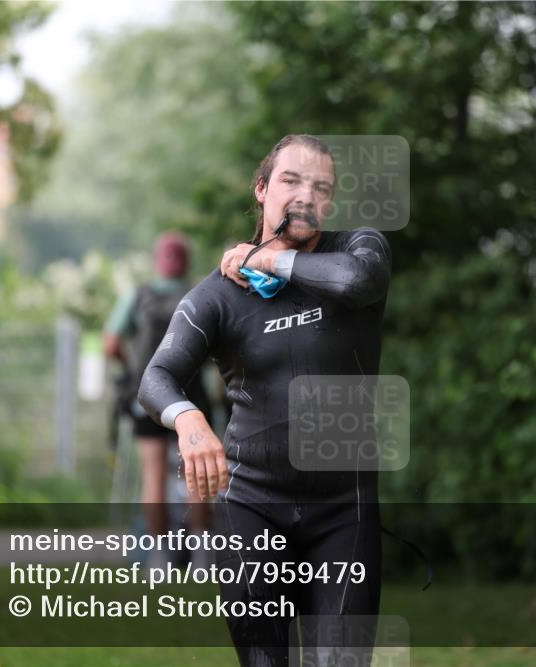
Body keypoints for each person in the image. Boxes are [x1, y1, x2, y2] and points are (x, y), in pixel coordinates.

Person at [139, 135, 391, 666]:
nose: (306, 195)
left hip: (344, 510)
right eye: (291, 180)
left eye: (321, 187)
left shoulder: (358, 250)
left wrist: (268, 261)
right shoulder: (219, 294)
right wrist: (188, 420)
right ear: (261, 190)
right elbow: (157, 376)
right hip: (251, 507)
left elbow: (358, 282)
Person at [104, 231, 214, 565]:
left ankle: (159, 557)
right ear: (187, 262)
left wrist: (134, 367)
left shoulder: (139, 296)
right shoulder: (200, 295)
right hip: (191, 397)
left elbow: (110, 344)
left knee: (153, 476)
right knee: (197, 476)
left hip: (147, 398)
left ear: (158, 261)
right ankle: (202, 557)